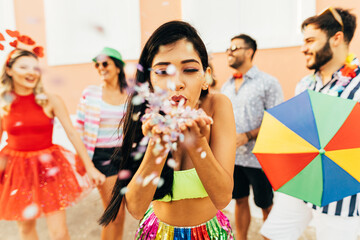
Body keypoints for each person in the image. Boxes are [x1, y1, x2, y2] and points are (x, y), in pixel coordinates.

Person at [99, 20, 236, 239]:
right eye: (163, 72)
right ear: (150, 82)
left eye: (189, 70)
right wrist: (157, 146)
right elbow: (135, 208)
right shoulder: (144, 116)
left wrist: (198, 143)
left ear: (206, 77)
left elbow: (223, 197)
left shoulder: (218, 106)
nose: (176, 83)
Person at [260, 7, 360, 240]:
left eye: (310, 40)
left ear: (336, 38)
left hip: (342, 199)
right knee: (272, 235)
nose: (303, 48)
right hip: (301, 183)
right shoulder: (305, 85)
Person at [0, 48, 105, 240]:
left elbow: (72, 134)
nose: (31, 72)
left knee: (59, 234)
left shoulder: (50, 100)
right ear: (9, 70)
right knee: (25, 229)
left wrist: (90, 168)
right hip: (17, 171)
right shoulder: (2, 103)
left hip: (48, 168)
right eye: (23, 67)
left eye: (35, 68)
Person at [221, 34, 283, 240]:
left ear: (249, 52)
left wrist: (247, 135)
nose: (229, 52)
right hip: (234, 158)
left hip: (260, 158)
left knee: (265, 204)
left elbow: (276, 118)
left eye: (235, 48)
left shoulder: (268, 82)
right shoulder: (226, 86)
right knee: (239, 199)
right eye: (228, 48)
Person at [76, 47, 128, 240]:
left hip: (126, 156)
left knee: (120, 214)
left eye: (105, 63)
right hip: (102, 156)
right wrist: (85, 163)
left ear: (117, 67)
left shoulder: (129, 95)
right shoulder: (90, 93)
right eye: (97, 64)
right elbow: (78, 128)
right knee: (114, 212)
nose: (100, 68)